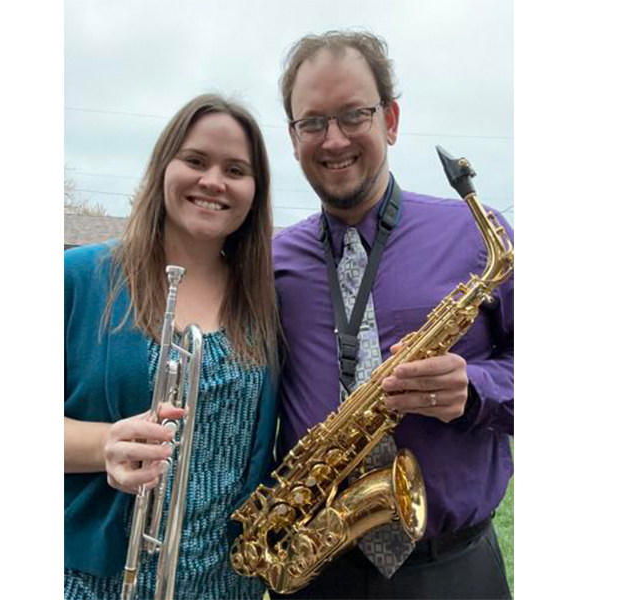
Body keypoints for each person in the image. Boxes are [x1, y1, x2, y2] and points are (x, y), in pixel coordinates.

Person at [270, 30, 515, 599]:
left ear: (391, 119)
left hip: (454, 569)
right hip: (316, 568)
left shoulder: (478, 236)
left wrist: (475, 389)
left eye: (354, 114)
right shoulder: (274, 261)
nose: (333, 140)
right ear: (293, 136)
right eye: (313, 122)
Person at [63, 93, 280, 600]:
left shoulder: (266, 303)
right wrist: (105, 446)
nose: (213, 181)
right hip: (94, 583)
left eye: (236, 169)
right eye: (196, 160)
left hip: (229, 585)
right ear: (164, 166)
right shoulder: (79, 279)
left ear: (255, 191)